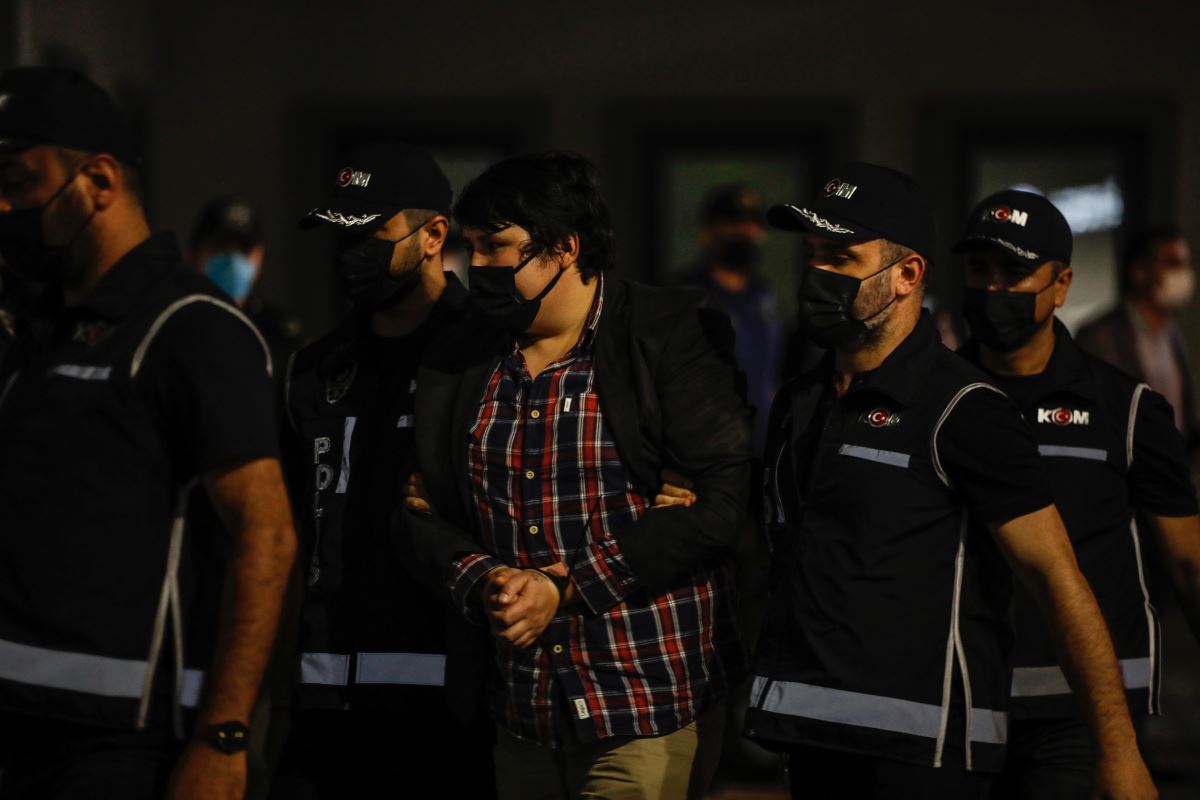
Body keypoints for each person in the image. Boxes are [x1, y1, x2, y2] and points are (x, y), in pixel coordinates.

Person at [742, 162, 1155, 799]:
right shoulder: (800, 402)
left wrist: (1118, 753)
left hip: (922, 754)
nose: (818, 272)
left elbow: (1056, 578)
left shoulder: (966, 409)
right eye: (815, 254)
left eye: (843, 258)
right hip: (810, 736)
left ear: (907, 276)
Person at [399, 151, 752, 799]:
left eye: (497, 246)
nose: (478, 265)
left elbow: (717, 505)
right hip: (522, 703)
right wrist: (486, 580)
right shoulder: (464, 354)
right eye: (472, 247)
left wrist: (563, 587)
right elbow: (420, 513)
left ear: (563, 248)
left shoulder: (665, 335)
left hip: (642, 696)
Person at [0, 67, 296, 799]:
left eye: (18, 181)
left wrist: (223, 737)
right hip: (18, 725)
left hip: (123, 743)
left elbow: (267, 535)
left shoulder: (192, 328)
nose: (4, 207)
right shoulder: (37, 331)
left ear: (98, 181)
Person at [955, 190, 1200, 799]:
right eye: (980, 269)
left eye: (1015, 272)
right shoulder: (935, 400)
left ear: (1060, 285)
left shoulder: (1126, 409)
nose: (994, 288)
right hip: (950, 698)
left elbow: (1189, 561)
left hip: (1084, 711)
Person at [270, 141, 493, 798]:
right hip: (321, 706)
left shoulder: (487, 357)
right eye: (342, 237)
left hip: (450, 710)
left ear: (434, 236)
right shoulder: (313, 369)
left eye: (370, 235)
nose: (352, 255)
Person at [680, 184, 781, 451]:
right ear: (707, 232)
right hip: (708, 448)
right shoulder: (687, 295)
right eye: (734, 223)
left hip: (761, 444)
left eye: (753, 224)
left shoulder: (763, 295)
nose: (746, 232)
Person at [1078, 227, 1198, 450]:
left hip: (1170, 465)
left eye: (1185, 263)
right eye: (1172, 263)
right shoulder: (1102, 336)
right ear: (1140, 272)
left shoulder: (1173, 334)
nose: (1183, 273)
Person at [188, 196, 304, 376]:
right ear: (194, 254)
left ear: (261, 257)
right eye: (221, 247)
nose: (233, 261)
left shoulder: (279, 333)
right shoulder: (177, 326)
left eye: (243, 250)